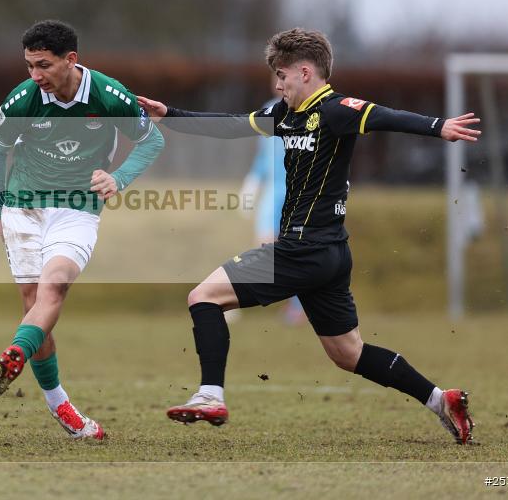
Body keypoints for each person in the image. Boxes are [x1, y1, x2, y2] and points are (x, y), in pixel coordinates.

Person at [137, 28, 480, 444]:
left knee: (203, 297)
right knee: (348, 354)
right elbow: (232, 126)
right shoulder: (285, 114)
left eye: (282, 76)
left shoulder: (336, 110)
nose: (277, 85)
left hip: (303, 249)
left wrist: (438, 126)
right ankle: (441, 400)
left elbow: (386, 116)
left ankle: (210, 394)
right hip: (328, 253)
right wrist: (170, 114)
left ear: (305, 72)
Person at [0, 20, 164, 439]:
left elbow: (152, 140)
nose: (35, 75)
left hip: (77, 208)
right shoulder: (24, 97)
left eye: (43, 65)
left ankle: (15, 352)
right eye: (29, 65)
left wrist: (118, 178)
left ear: (71, 60)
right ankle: (59, 404)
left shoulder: (108, 94)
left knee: (56, 285)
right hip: (23, 205)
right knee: (34, 306)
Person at [231, 92, 306, 326]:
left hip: (301, 193)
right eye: (278, 76)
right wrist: (252, 182)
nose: (280, 83)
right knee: (264, 247)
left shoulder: (315, 109)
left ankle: (299, 308)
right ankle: (229, 297)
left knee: (298, 250)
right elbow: (264, 154)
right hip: (273, 191)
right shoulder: (270, 109)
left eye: (284, 76)